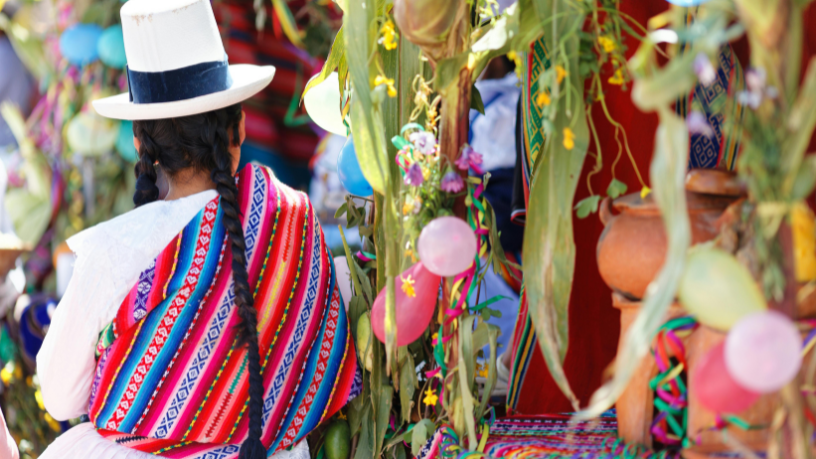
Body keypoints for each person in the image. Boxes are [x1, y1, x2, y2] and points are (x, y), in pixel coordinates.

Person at [36, 0, 359, 458]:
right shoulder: (293, 219)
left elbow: (60, 395)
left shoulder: (117, 249)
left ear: (138, 143)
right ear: (240, 127)